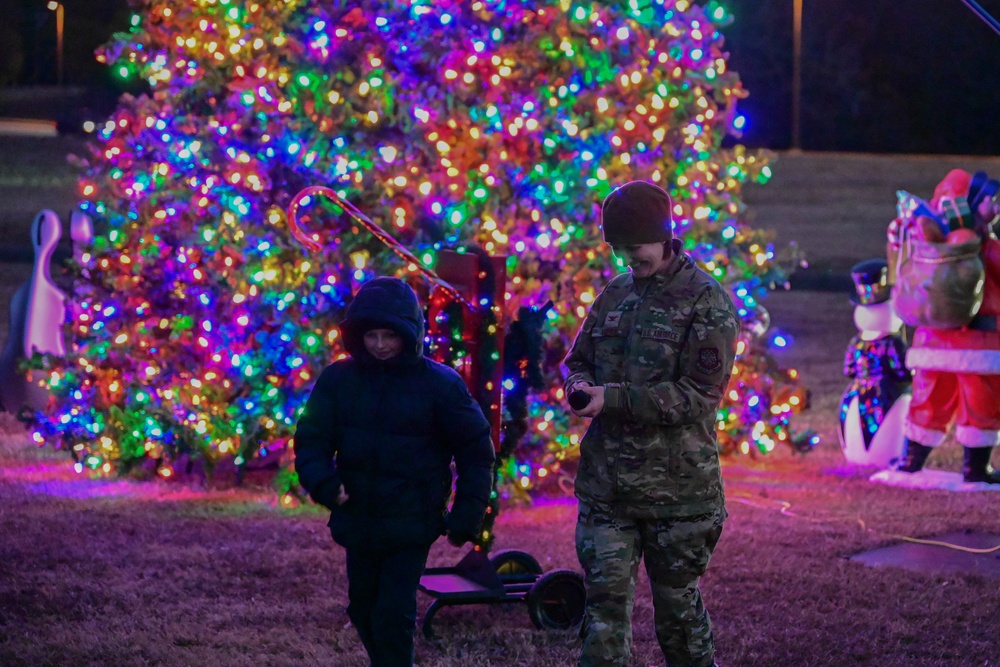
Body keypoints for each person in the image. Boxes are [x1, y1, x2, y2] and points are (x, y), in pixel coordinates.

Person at [564, 180, 740, 667]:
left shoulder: (706, 301)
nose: (627, 259)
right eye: (618, 248)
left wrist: (613, 399)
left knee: (678, 615)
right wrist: (577, 386)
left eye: (634, 247)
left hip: (678, 496)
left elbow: (700, 395)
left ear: (664, 237)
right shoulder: (615, 294)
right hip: (607, 491)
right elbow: (577, 359)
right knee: (603, 617)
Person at [294, 276, 496, 667]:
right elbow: (312, 438)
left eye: (391, 335)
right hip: (359, 516)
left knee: (394, 614)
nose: (381, 344)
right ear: (358, 335)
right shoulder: (339, 380)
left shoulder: (440, 385)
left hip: (411, 520)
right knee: (363, 607)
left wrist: (466, 515)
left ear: (411, 334)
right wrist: (323, 483)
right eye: (372, 335)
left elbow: (476, 451)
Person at [894, 169, 1000, 484]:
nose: (995, 208)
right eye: (989, 201)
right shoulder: (984, 247)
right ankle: (975, 468)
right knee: (981, 402)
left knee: (928, 398)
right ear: (971, 205)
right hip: (978, 342)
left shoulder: (927, 245)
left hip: (932, 341)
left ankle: (910, 461)